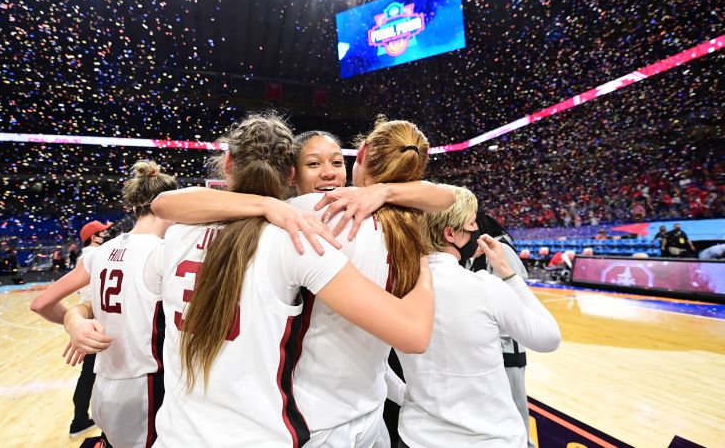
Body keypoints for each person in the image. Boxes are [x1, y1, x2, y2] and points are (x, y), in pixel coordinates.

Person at [151, 118, 453, 447]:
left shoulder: (300, 216)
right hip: (338, 414)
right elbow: (446, 197)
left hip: (288, 418)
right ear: (291, 173)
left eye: (337, 161)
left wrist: (266, 204)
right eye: (313, 163)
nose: (328, 172)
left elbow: (164, 204)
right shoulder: (400, 218)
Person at [396, 185, 561, 448]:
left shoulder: (396, 288)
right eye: (472, 223)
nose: (477, 230)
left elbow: (378, 367)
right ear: (451, 233)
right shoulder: (485, 285)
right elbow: (549, 338)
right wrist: (509, 274)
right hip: (488, 438)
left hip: (416, 436)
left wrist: (410, 398)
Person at [31, 161, 178, 448]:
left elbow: (40, 304)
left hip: (105, 384)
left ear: (135, 207)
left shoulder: (101, 251)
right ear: (169, 206)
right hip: (145, 387)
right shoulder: (164, 252)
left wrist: (73, 320)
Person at [469, 212, 535, 448]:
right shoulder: (481, 250)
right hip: (490, 341)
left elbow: (517, 291)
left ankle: (524, 443)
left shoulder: (501, 249)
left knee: (514, 403)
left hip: (508, 341)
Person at [66, 220, 112, 437]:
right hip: (96, 319)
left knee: (90, 374)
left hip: (90, 318)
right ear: (94, 237)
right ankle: (79, 420)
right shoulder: (93, 256)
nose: (108, 234)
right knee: (90, 374)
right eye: (104, 232)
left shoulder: (86, 255)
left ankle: (81, 418)